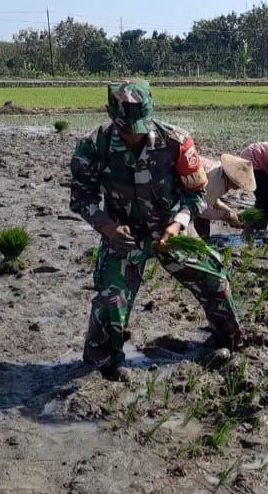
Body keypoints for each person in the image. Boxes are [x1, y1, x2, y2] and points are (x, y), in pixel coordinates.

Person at [69, 78, 244, 382]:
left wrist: (179, 224)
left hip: (170, 229)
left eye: (137, 128)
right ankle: (106, 362)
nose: (131, 135)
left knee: (215, 280)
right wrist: (108, 228)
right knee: (111, 298)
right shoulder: (93, 146)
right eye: (124, 128)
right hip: (124, 234)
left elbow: (196, 194)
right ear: (111, 117)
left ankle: (227, 340)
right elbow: (81, 197)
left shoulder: (176, 142)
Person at [192, 153, 257, 240]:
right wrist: (228, 216)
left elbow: (214, 200)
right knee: (197, 218)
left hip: (197, 191)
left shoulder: (220, 172)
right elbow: (204, 210)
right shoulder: (216, 181)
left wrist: (231, 212)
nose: (238, 187)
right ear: (232, 179)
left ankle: (203, 240)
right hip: (181, 189)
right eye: (239, 184)